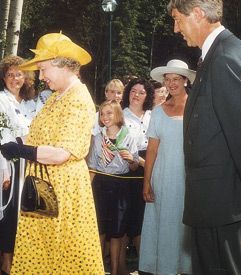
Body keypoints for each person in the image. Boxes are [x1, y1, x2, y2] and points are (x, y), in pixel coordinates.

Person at [168, 0, 241, 274]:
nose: (176, 28)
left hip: (221, 202)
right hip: (216, 199)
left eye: (178, 19)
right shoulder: (222, 53)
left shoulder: (225, 56)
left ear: (199, 14)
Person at [0, 32, 104, 273]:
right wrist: (10, 141)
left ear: (64, 65)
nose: (41, 76)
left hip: (63, 188)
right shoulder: (56, 97)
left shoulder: (78, 99)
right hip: (43, 186)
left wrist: (21, 150)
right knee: (42, 252)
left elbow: (61, 153)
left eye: (44, 69)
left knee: (63, 253)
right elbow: (38, 136)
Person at [0, 55, 38, 275]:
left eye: (19, 74)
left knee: (15, 217)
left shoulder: (32, 103)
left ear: (26, 76)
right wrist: (5, 171)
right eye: (10, 74)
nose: (14, 78)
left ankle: (9, 263)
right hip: (4, 166)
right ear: (3, 77)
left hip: (25, 166)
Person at [139, 59, 195, 275]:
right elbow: (152, 150)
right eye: (168, 79)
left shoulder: (195, 107)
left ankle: (185, 269)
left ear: (185, 81)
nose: (172, 83)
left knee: (183, 225)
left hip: (187, 178)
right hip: (161, 178)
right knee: (162, 224)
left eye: (176, 79)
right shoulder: (159, 111)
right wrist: (147, 183)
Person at [87, 100, 139, 275]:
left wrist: (131, 159)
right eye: (102, 114)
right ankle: (99, 269)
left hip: (121, 185)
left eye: (109, 113)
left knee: (117, 232)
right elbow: (92, 166)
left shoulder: (128, 136)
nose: (105, 117)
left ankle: (115, 270)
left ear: (118, 115)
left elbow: (133, 166)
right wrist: (87, 189)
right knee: (100, 228)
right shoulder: (98, 138)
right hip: (101, 184)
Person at [118, 77, 154, 272]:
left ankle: (145, 266)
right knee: (125, 221)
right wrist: (138, 162)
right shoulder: (121, 116)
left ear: (147, 96)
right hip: (127, 171)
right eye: (133, 91)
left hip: (150, 171)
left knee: (143, 222)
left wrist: (146, 164)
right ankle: (121, 267)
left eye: (141, 92)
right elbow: (119, 146)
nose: (136, 95)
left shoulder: (154, 115)